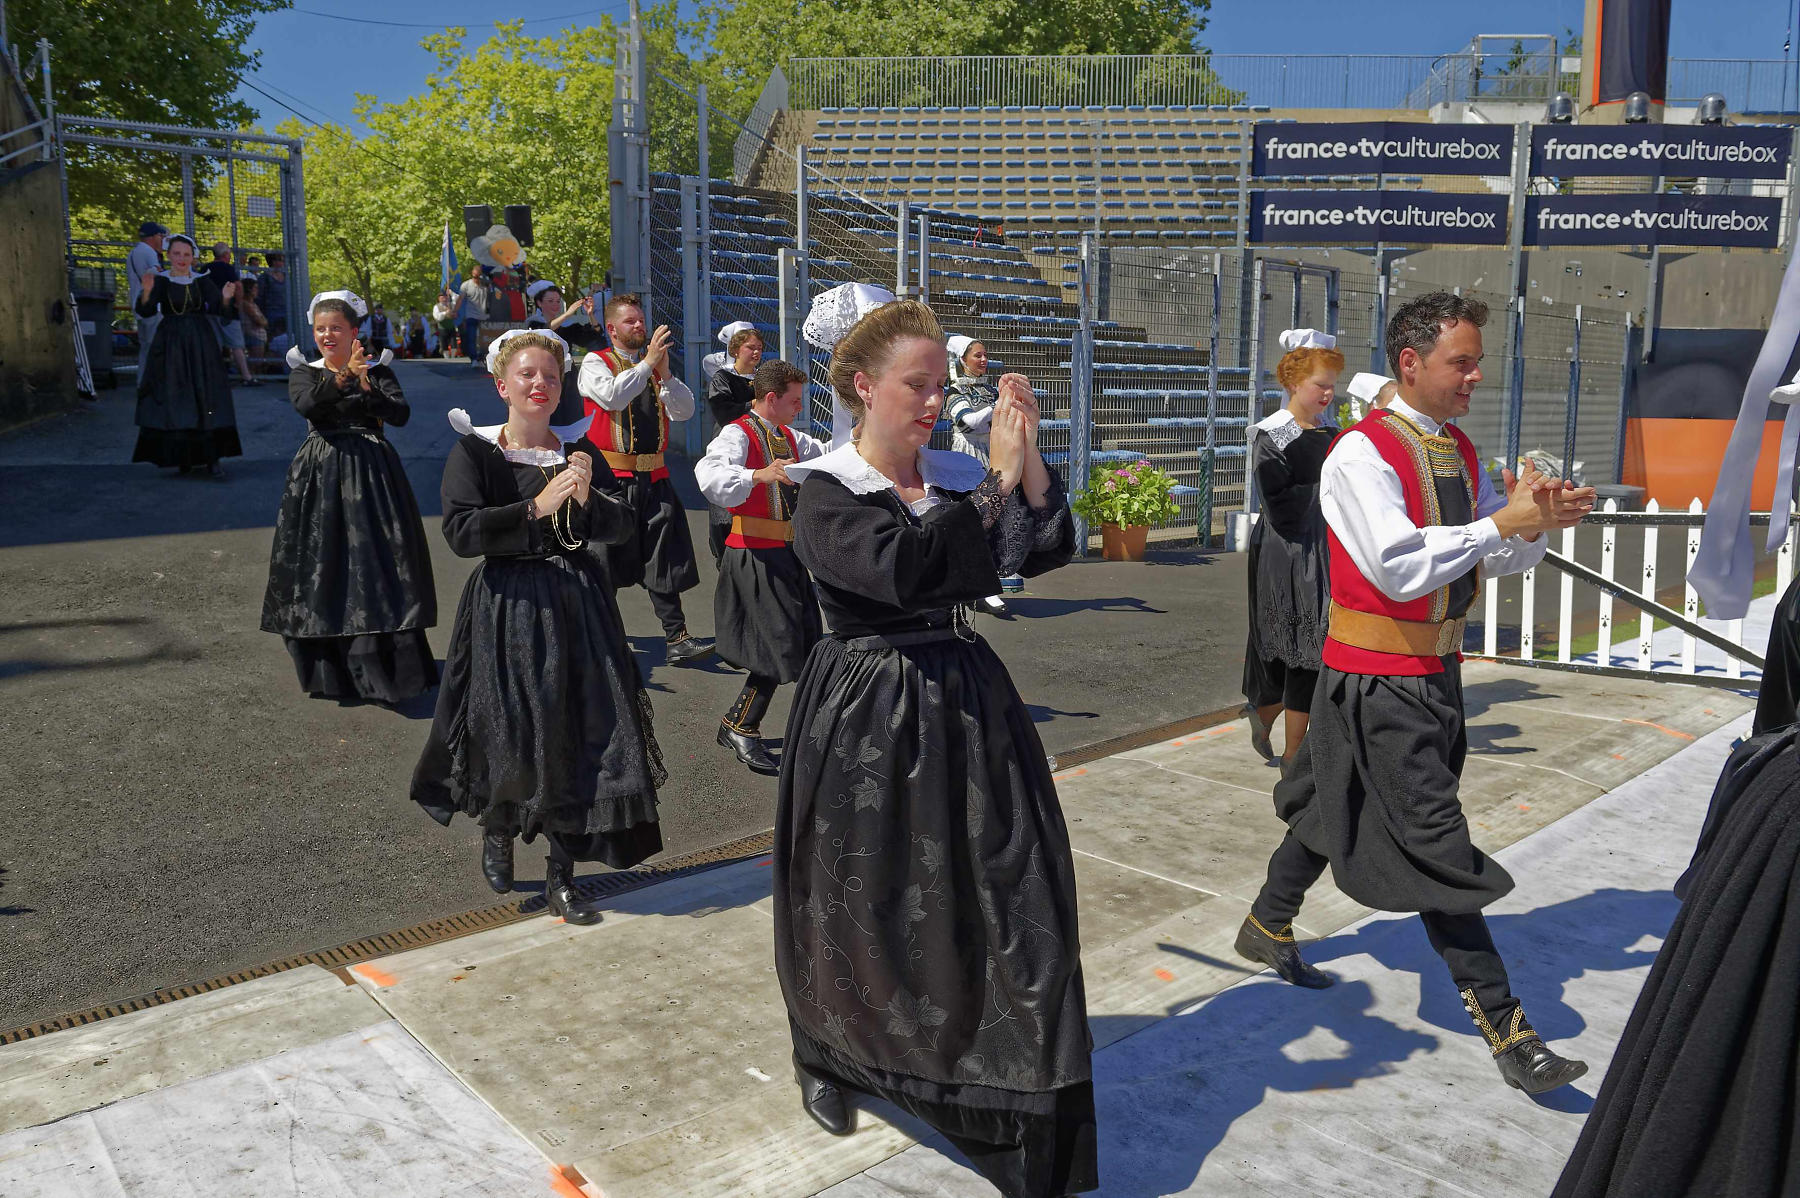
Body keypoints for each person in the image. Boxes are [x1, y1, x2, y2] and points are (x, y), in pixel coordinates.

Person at [1236, 291, 1600, 1096]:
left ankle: (1266, 922)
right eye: (1459, 362)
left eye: (1476, 362)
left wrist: (1536, 523)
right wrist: (1500, 524)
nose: (1475, 377)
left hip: (1430, 675)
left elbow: (1485, 557)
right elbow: (1399, 565)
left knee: (1331, 803)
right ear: (1410, 363)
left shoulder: (1456, 449)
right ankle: (1511, 1032)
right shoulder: (1360, 454)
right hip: (1376, 680)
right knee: (1437, 844)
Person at [774, 290, 1094, 1197]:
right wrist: (993, 483)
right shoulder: (827, 490)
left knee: (1007, 892)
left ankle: (1011, 1099)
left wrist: (1026, 461)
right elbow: (907, 571)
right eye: (915, 385)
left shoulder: (949, 477)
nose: (931, 400)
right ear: (862, 386)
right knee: (861, 900)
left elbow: (1036, 550)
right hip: (867, 709)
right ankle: (829, 1052)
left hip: (965, 697)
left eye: (938, 385)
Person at [411, 328, 666, 924]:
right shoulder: (476, 452)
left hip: (578, 606)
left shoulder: (579, 450)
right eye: (527, 374)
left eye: (550, 376)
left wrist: (588, 499)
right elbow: (461, 533)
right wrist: (536, 507)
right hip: (506, 607)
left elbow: (621, 528)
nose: (540, 384)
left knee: (578, 733)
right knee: (506, 729)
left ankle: (561, 873)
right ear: (502, 385)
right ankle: (499, 829)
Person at [261, 291, 437, 703]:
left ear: (354, 331)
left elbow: (400, 414)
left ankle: (385, 668)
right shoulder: (304, 372)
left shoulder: (378, 370)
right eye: (321, 329)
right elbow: (308, 405)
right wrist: (343, 378)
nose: (327, 335)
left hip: (373, 473)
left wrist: (366, 384)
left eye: (336, 328)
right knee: (322, 561)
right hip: (319, 473)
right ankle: (331, 669)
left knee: (378, 563)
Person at [695, 359, 824, 775]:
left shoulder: (789, 436)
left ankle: (754, 724)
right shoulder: (738, 433)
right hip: (753, 552)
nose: (799, 408)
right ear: (771, 397)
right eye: (794, 400)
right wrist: (756, 475)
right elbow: (710, 475)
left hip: (785, 554)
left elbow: (829, 453)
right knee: (775, 643)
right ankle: (741, 725)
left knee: (803, 640)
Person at [576, 293, 713, 664]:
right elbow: (612, 397)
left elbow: (684, 411)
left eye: (640, 319)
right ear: (611, 329)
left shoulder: (652, 369)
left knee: (662, 555)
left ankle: (677, 637)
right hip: (610, 480)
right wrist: (649, 363)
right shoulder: (596, 362)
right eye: (630, 321)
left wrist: (664, 373)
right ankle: (600, 636)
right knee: (604, 558)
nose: (639, 326)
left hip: (655, 477)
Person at [1241, 328, 1343, 768]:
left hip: (1325, 546)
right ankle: (1289, 744)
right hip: (1290, 551)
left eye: (1332, 385)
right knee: (1300, 643)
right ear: (1294, 382)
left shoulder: (1332, 431)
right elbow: (1279, 503)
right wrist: (1335, 489)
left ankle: (1275, 721)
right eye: (1321, 385)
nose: (1328, 393)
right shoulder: (1273, 434)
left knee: (1310, 645)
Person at [133, 233, 241, 475]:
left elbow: (221, 310)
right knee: (175, 396)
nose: (182, 258)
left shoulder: (202, 280)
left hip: (200, 343)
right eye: (177, 254)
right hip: (170, 344)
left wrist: (226, 298)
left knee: (205, 395)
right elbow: (146, 311)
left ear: (193, 257)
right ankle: (183, 457)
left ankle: (212, 458)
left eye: (186, 254)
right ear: (169, 255)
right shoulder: (161, 280)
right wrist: (147, 292)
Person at [946, 334, 1020, 615]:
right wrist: (999, 406)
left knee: (994, 520)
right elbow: (968, 422)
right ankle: (974, 586)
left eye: (985, 354)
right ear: (962, 360)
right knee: (974, 521)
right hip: (966, 456)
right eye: (977, 355)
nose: (984, 359)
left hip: (991, 454)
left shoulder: (989, 391)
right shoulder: (954, 392)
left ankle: (989, 585)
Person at [704, 321, 764, 562]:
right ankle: (725, 554)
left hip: (758, 443)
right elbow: (723, 411)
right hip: (730, 443)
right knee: (727, 503)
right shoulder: (723, 378)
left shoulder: (763, 378)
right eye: (751, 347)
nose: (756, 352)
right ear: (736, 350)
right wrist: (754, 404)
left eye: (759, 347)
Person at [525, 281, 604, 425]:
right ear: (539, 303)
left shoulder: (567, 325)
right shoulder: (533, 323)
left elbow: (592, 336)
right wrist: (568, 313)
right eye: (550, 301)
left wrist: (591, 314)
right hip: (543, 377)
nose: (555, 305)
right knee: (549, 417)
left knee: (571, 417)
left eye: (557, 301)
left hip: (567, 378)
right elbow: (544, 331)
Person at [203, 242, 258, 387]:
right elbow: (238, 286)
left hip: (209, 311)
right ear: (226, 255)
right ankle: (246, 376)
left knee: (214, 345)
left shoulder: (205, 268)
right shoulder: (227, 268)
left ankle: (213, 377)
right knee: (236, 345)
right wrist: (238, 304)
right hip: (228, 313)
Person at [127, 221, 167, 379]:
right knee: (156, 346)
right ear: (153, 236)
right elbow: (157, 275)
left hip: (139, 305)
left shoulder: (133, 252)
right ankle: (154, 383)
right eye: (160, 236)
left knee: (145, 347)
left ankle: (142, 382)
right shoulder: (148, 252)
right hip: (152, 307)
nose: (162, 239)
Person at [458, 265, 492, 368]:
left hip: (484, 316)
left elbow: (493, 297)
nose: (476, 277)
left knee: (484, 339)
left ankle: (481, 358)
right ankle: (473, 359)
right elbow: (460, 299)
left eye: (478, 274)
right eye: (475, 274)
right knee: (471, 338)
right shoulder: (466, 285)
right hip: (471, 315)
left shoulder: (486, 285)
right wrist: (455, 311)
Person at [259, 253, 290, 348]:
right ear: (273, 262)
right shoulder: (264, 278)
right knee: (273, 342)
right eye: (280, 260)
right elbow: (259, 297)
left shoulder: (288, 277)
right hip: (271, 315)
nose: (283, 263)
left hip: (288, 314)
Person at [239, 275, 270, 360]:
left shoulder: (253, 304)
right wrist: (263, 321)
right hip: (253, 337)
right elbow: (260, 321)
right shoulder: (245, 304)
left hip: (259, 337)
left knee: (259, 362)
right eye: (255, 288)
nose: (257, 290)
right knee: (255, 362)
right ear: (248, 289)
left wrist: (263, 321)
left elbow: (265, 321)